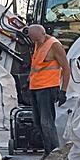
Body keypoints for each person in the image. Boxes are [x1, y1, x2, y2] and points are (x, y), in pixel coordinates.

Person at [25, 22, 68, 150]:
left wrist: (63, 91)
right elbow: (36, 66)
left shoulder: (54, 46)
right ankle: (47, 151)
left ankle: (54, 154)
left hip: (48, 88)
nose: (35, 41)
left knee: (47, 123)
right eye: (33, 39)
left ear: (44, 33)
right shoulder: (38, 42)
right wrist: (29, 81)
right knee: (38, 123)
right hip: (36, 88)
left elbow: (66, 68)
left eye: (37, 39)